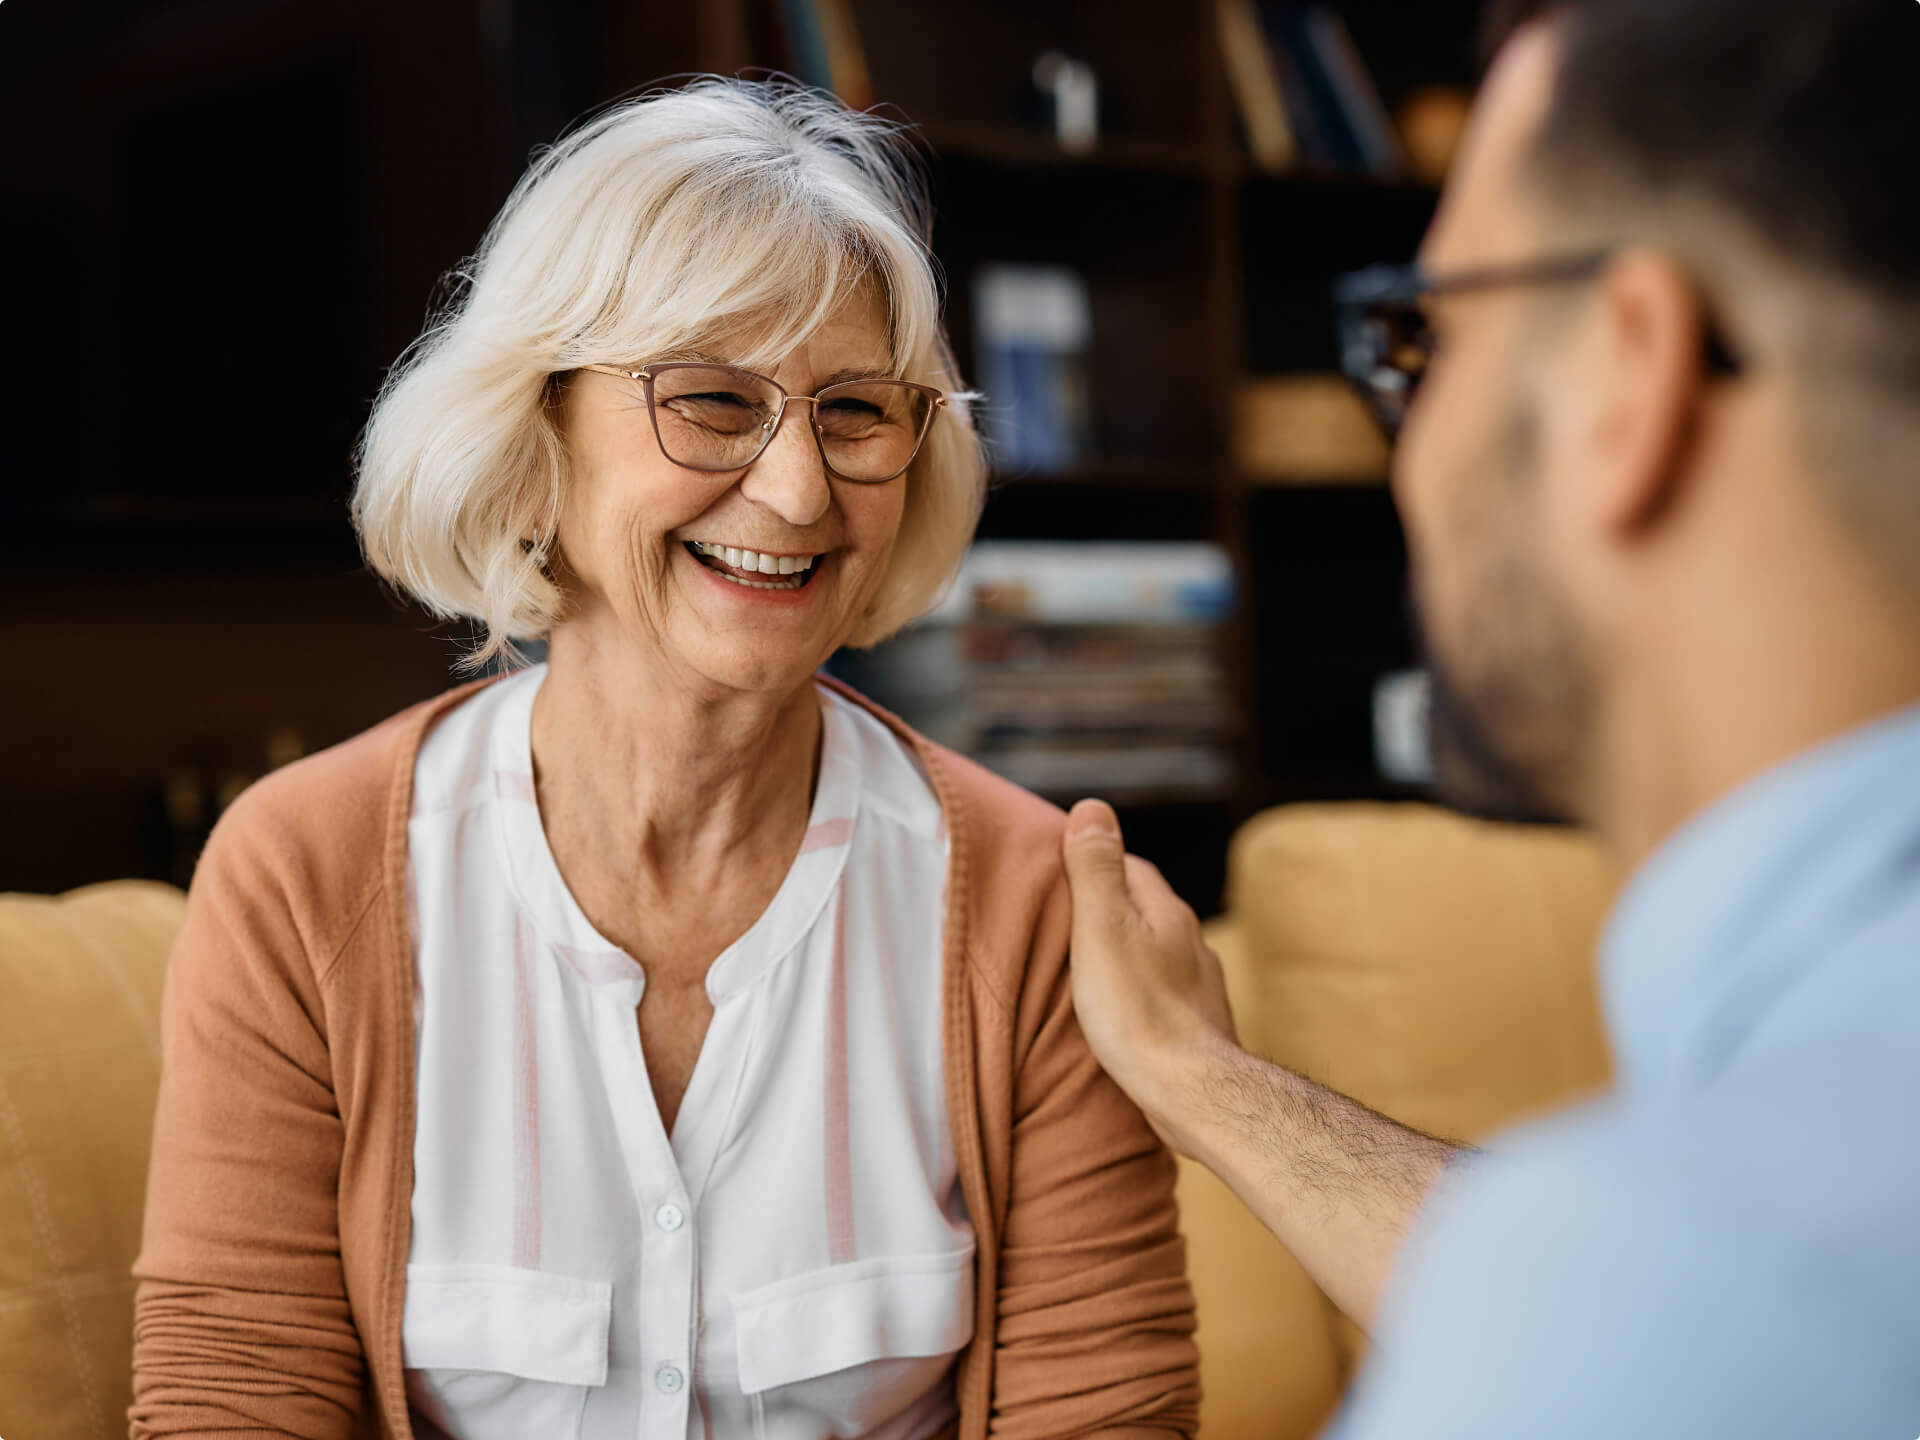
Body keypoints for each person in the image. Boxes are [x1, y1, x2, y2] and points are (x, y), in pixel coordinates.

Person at [131, 79, 1198, 1440]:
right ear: (534, 442)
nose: (798, 491)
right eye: (709, 399)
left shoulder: (1040, 905)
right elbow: (237, 1404)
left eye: (857, 412)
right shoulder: (303, 874)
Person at [1061, 0, 1920, 1435]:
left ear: (1623, 377)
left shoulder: (1659, 1290)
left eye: (1420, 341)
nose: (1410, 457)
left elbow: (1659, 1309)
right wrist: (1204, 1081)